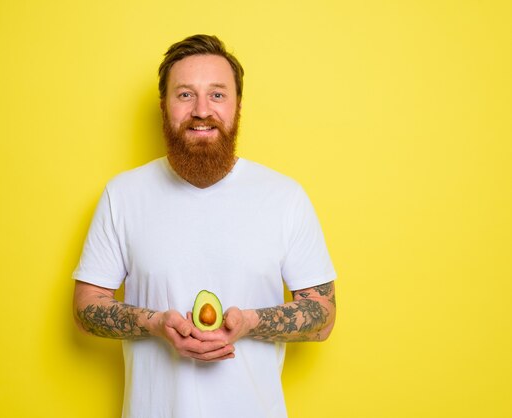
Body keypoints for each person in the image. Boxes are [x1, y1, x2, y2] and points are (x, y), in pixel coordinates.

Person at [72, 34, 337, 418]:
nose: (201, 110)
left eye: (217, 94)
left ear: (237, 106)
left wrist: (250, 322)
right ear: (164, 107)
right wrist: (155, 323)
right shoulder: (124, 194)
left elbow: (323, 315)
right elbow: (85, 308)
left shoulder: (285, 197)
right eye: (184, 95)